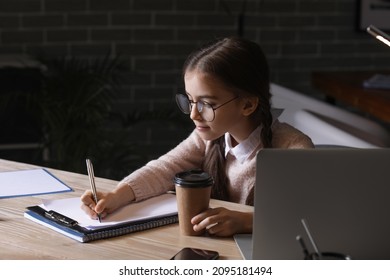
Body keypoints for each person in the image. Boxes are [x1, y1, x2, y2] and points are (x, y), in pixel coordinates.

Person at [81, 37, 314, 237]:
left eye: (206, 104)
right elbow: (163, 169)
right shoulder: (209, 138)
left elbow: (310, 215)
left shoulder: (293, 148)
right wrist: (116, 196)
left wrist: (246, 222)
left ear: (248, 104)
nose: (193, 114)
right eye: (190, 101)